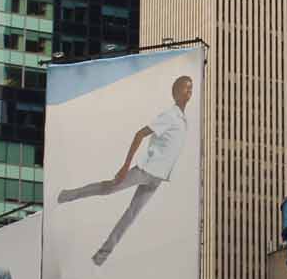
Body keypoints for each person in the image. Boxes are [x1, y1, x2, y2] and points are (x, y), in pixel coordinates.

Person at [56, 74, 193, 266]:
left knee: (131, 215)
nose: (190, 91)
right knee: (109, 189)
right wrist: (125, 167)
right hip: (146, 170)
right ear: (176, 92)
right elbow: (140, 134)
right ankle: (66, 195)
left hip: (158, 178)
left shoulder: (184, 119)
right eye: (186, 88)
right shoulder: (170, 115)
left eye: (191, 88)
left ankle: (99, 258)